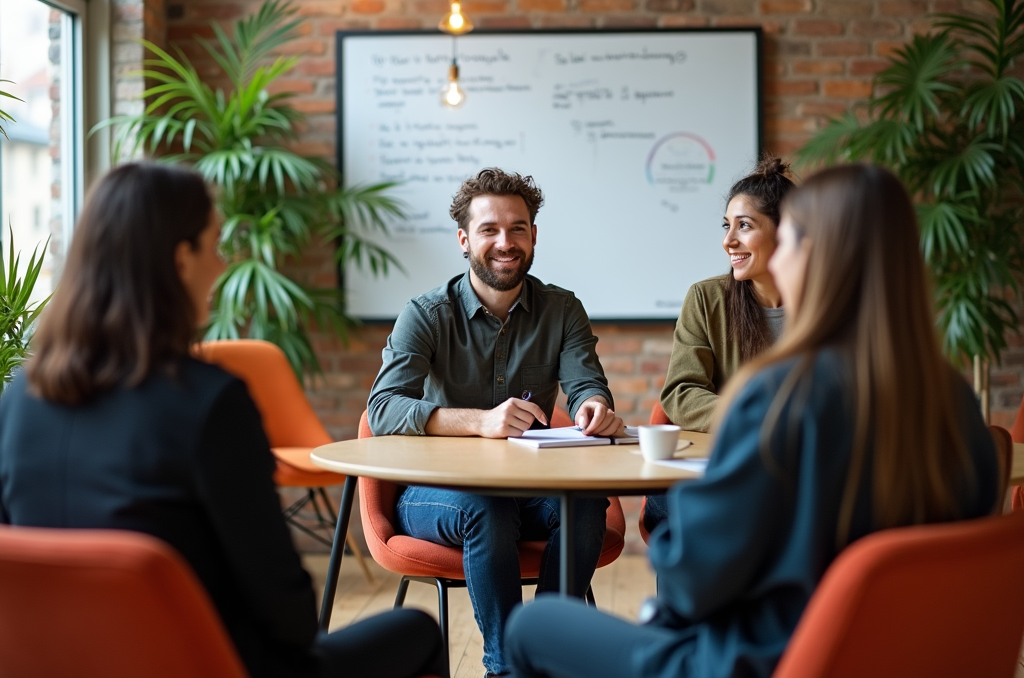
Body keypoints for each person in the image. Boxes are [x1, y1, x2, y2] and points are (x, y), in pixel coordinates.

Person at [504, 164, 999, 678]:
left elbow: (691, 577)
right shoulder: (955, 401)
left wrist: (697, 511)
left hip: (761, 659)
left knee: (532, 626)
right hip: (908, 657)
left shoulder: (781, 399)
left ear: (819, 254)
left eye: (787, 242)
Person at [0, 163, 447, 678]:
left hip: (60, 665)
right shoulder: (209, 404)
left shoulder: (18, 398)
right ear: (179, 258)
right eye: (213, 246)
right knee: (417, 633)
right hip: (210, 665)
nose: (221, 266)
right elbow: (291, 618)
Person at [367, 168, 620, 678]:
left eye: (518, 228)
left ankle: (546, 654)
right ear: (464, 239)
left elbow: (586, 384)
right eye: (489, 230)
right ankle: (507, 668)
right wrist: (479, 422)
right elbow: (383, 408)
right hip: (438, 493)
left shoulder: (562, 310)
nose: (505, 242)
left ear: (533, 235)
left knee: (586, 504)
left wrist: (593, 405)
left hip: (529, 488)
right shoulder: (426, 314)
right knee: (486, 507)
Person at [645, 156, 795, 532]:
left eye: (744, 226)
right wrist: (756, 419)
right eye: (727, 226)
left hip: (797, 467)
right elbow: (681, 391)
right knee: (672, 506)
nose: (728, 241)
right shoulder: (707, 299)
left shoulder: (826, 306)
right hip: (721, 463)